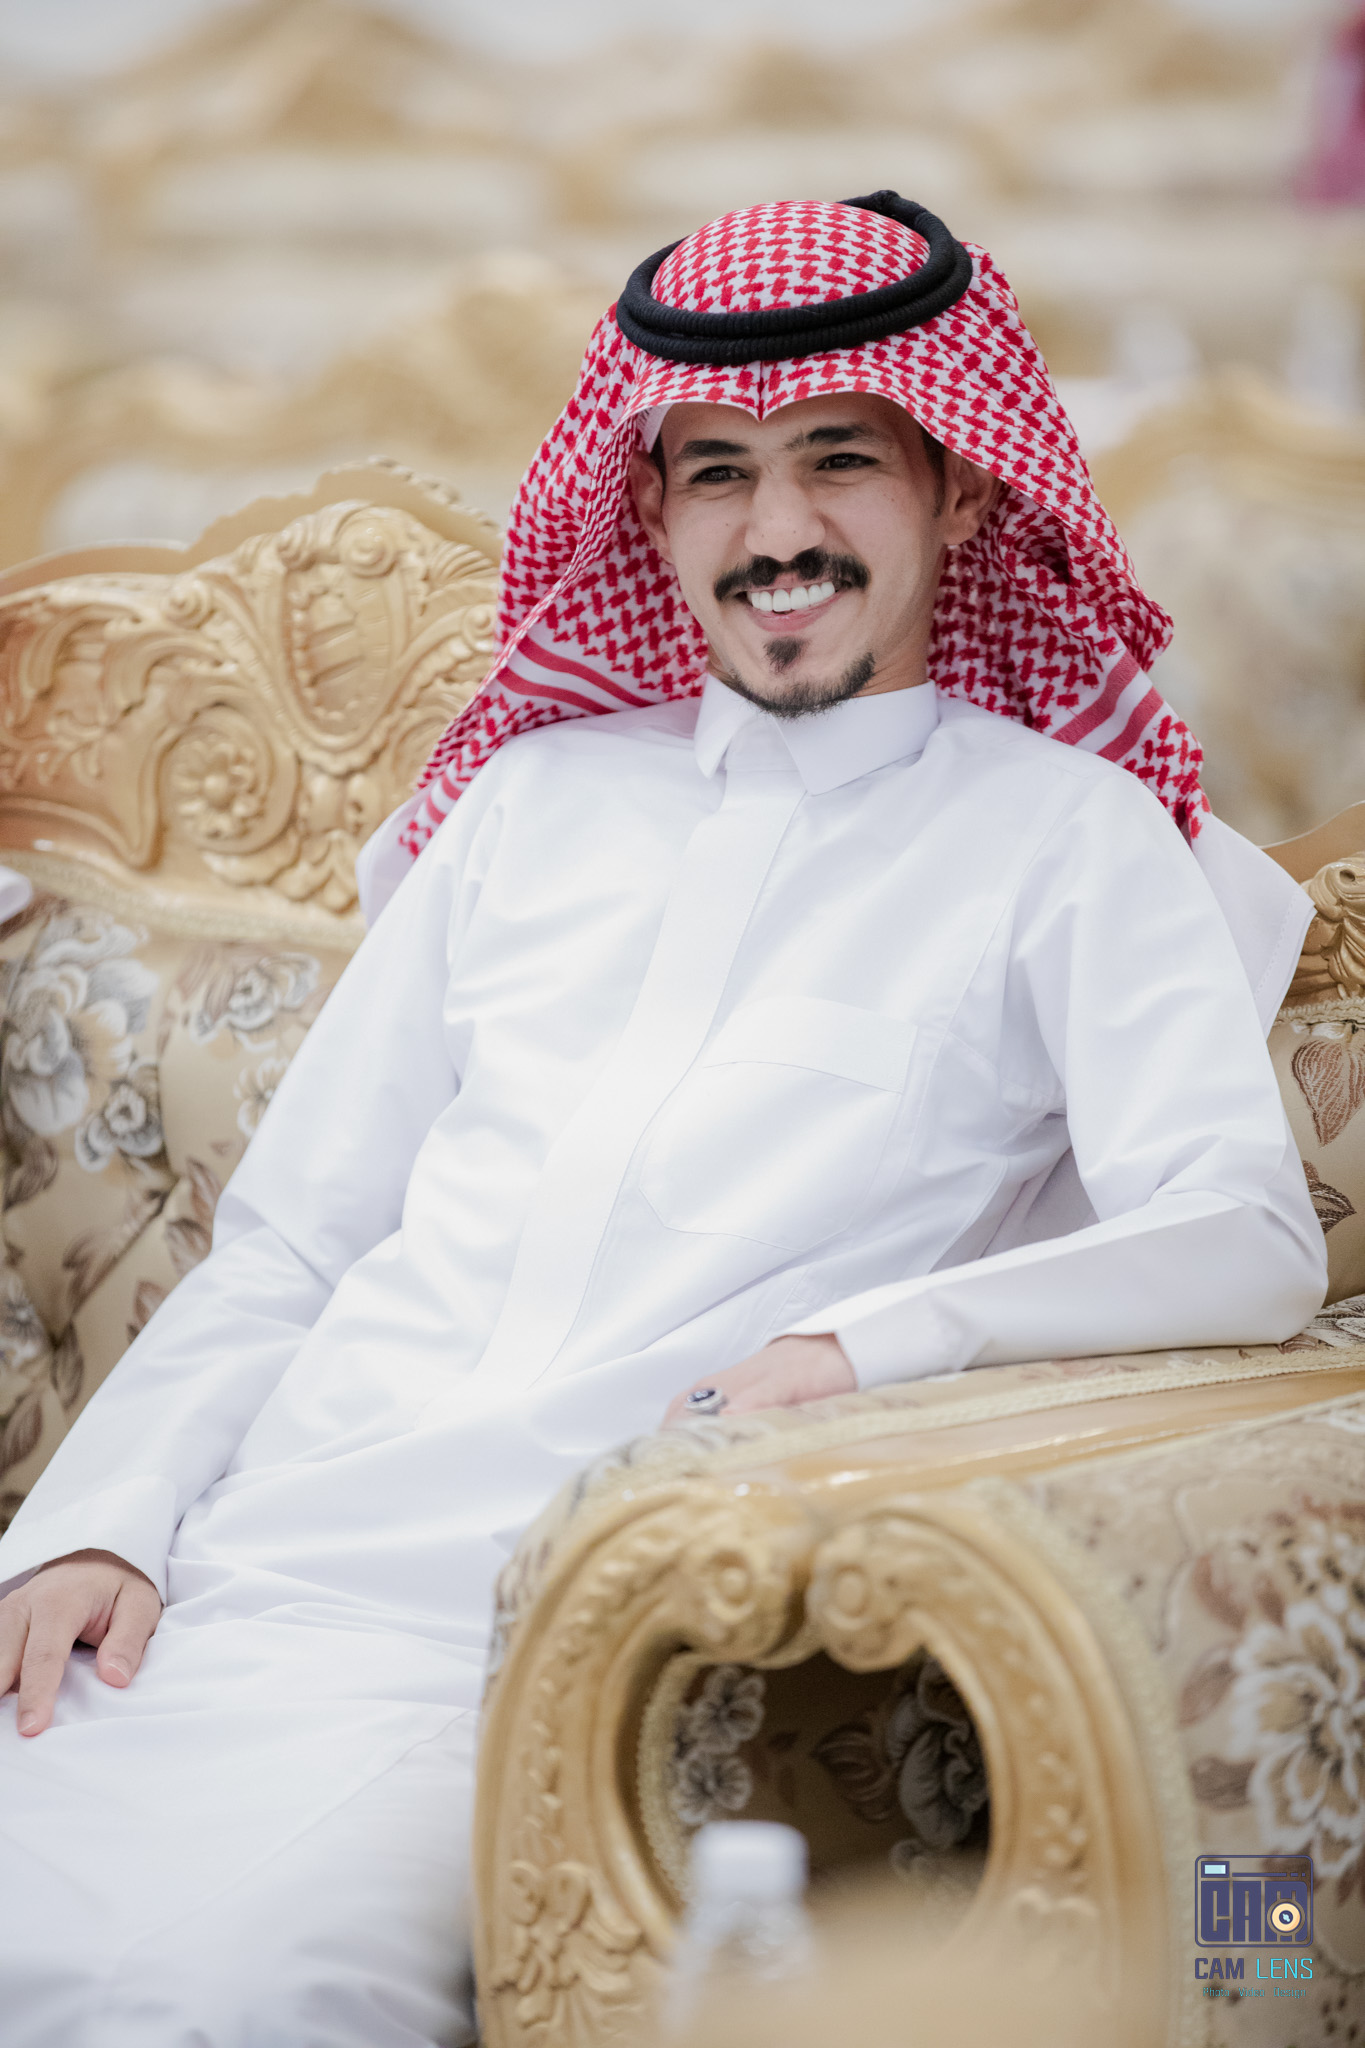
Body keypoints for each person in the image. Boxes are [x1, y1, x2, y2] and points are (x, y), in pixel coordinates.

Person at [0, 194, 1326, 2046]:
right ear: (649, 511)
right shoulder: (530, 800)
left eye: (836, 461)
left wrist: (861, 1346)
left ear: (959, 485)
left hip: (528, 1656)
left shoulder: (1063, 839)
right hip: (221, 1591)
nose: (774, 533)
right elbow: (294, 1241)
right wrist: (94, 1524)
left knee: (220, 1994)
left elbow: (1244, 1235)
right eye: (717, 473)